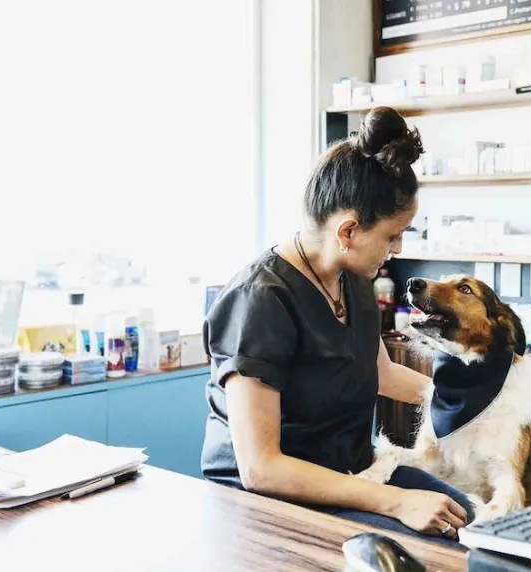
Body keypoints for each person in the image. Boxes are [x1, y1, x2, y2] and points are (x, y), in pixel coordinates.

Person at [201, 106, 474, 546]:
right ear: (348, 231)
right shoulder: (260, 301)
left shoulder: (353, 279)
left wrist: (470, 405)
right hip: (270, 502)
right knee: (435, 551)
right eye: (392, 235)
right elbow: (261, 468)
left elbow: (379, 373)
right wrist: (397, 502)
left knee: (483, 532)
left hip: (349, 475)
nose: (397, 248)